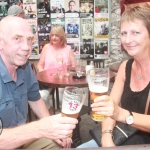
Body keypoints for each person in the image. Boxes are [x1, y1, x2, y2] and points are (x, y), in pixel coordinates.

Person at [0, 16, 78, 149]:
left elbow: (35, 99)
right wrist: (40, 128)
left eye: (29, 39)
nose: (26, 47)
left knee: (61, 145)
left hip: (21, 140)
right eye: (17, 38)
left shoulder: (24, 67)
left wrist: (53, 130)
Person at [78, 5, 150, 148]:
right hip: (125, 135)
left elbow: (117, 112)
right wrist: (106, 137)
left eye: (135, 32)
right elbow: (111, 107)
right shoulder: (125, 67)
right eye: (124, 33)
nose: (128, 40)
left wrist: (122, 115)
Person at [37, 25, 76, 112]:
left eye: (57, 35)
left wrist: (68, 73)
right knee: (42, 95)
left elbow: (74, 67)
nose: (54, 38)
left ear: (62, 37)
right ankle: (50, 110)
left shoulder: (68, 49)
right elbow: (39, 65)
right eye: (52, 35)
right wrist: (43, 74)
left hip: (63, 81)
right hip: (48, 80)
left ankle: (65, 115)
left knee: (59, 97)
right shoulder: (47, 47)